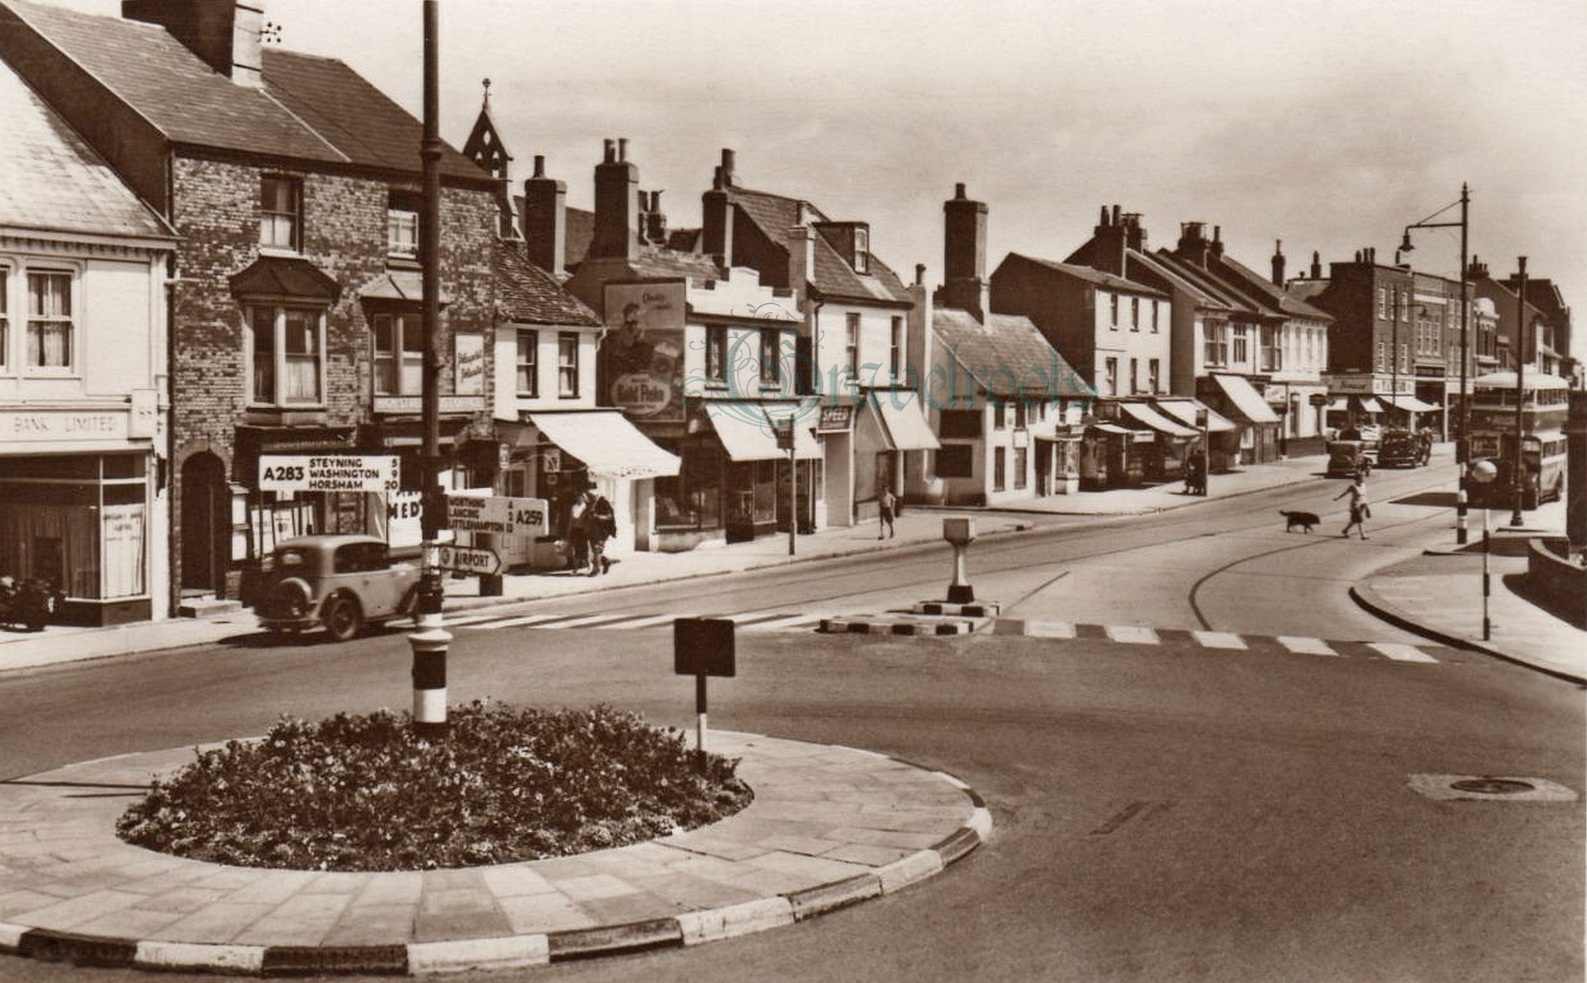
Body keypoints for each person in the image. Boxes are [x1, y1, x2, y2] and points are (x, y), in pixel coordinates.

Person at [585, 491, 617, 575]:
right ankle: (606, 561)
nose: (588, 498)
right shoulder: (589, 503)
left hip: (601, 531)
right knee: (593, 551)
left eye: (590, 496)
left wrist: (598, 517)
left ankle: (596, 570)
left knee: (597, 550)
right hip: (591, 530)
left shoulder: (603, 502)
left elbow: (609, 516)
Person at [1334, 473, 1369, 540]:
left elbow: (1364, 495)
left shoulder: (1363, 485)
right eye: (1361, 479)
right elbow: (1345, 493)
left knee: (1355, 520)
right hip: (1355, 505)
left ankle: (1345, 530)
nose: (1362, 480)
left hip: (1362, 504)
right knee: (1360, 520)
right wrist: (1338, 498)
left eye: (1362, 479)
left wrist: (1367, 506)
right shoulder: (1353, 486)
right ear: (1356, 480)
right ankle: (1363, 535)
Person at [565, 489, 591, 574]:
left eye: (582, 497)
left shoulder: (586, 507)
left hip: (583, 531)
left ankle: (588, 566)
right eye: (579, 497)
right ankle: (576, 568)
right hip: (575, 530)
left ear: (584, 498)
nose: (580, 498)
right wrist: (569, 531)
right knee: (576, 549)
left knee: (584, 549)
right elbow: (571, 520)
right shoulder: (574, 507)